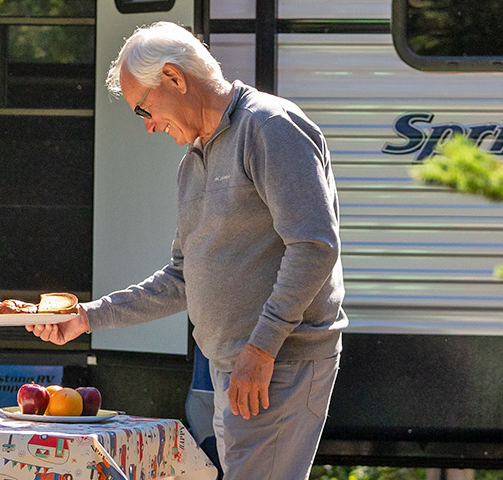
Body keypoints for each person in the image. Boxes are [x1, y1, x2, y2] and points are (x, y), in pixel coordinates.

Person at [27, 21, 346, 479]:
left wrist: (262, 346)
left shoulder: (269, 126)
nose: (150, 126)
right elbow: (182, 278)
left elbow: (315, 245)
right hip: (233, 365)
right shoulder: (192, 163)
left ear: (175, 78)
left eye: (144, 109)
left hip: (279, 361)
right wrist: (87, 317)